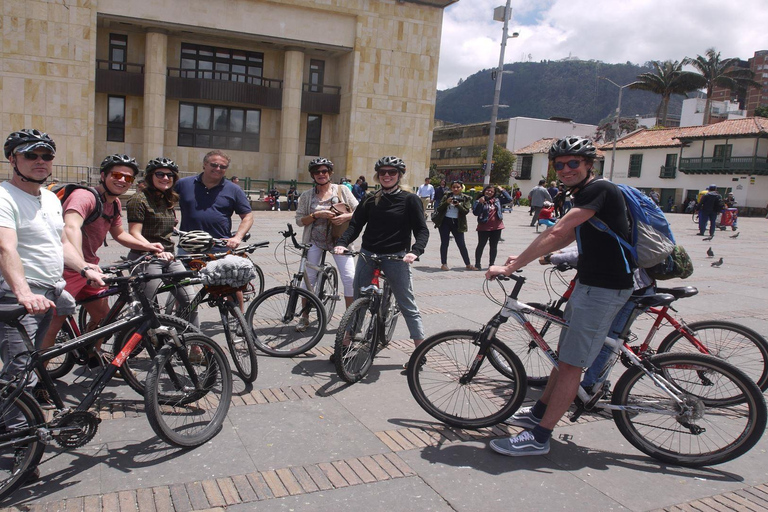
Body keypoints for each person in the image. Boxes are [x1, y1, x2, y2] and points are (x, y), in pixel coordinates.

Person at [486, 136, 633, 457]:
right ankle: (538, 412)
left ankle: (540, 437)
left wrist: (513, 266)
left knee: (570, 366)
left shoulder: (599, 189)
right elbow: (566, 235)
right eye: (560, 164)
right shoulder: (582, 192)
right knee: (564, 357)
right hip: (590, 284)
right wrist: (521, 260)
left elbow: (557, 231)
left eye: (573, 163)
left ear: (589, 165)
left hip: (605, 289)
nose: (566, 169)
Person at [1, 130, 103, 419]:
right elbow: (5, 249)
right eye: (30, 155)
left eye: (46, 156)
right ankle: (19, 441)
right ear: (13, 159)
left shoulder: (49, 198)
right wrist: (23, 293)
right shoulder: (4, 197)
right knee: (20, 373)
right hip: (20, 296)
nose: (40, 161)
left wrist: (84, 267)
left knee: (40, 355)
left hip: (53, 290)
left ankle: (41, 385)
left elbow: (60, 245)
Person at [39, 154, 164, 366]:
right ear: (104, 175)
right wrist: (82, 264)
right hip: (67, 267)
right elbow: (71, 227)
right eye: (117, 175)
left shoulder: (114, 203)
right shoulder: (84, 197)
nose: (122, 180)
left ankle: (92, 352)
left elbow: (119, 234)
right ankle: (39, 378)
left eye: (128, 178)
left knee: (104, 316)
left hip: (90, 268)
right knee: (54, 322)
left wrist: (148, 246)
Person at [333, 156, 429, 367]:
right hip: (368, 254)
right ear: (377, 175)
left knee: (407, 304)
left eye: (392, 172)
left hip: (396, 256)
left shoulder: (409, 199)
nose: (387, 175)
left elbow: (421, 230)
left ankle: (420, 353)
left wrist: (415, 251)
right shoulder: (370, 199)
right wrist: (342, 243)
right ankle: (346, 342)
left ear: (399, 175)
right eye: (383, 172)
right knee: (358, 299)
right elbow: (355, 226)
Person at [125, 157, 198, 327]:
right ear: (150, 176)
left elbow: (166, 229)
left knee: (190, 301)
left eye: (169, 175)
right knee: (148, 308)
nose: (165, 178)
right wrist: (153, 249)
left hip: (168, 255)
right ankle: (144, 342)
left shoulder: (168, 199)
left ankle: (196, 346)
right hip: (144, 257)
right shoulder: (138, 200)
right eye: (160, 174)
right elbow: (134, 233)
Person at [296, 157, 358, 323]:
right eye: (317, 172)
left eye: (324, 171)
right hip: (315, 240)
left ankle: (350, 320)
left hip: (340, 240)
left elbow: (360, 211)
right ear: (312, 175)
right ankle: (305, 316)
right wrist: (316, 215)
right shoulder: (307, 195)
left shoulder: (342, 190)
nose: (321, 174)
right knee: (309, 277)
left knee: (350, 278)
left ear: (330, 173)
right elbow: (299, 221)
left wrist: (345, 216)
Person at [175, 149, 253, 251]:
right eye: (214, 165)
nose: (218, 168)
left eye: (223, 166)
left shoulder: (234, 189)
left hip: (220, 247)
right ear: (205, 164)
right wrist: (171, 219)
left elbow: (248, 216)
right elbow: (165, 202)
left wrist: (237, 237)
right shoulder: (183, 184)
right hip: (188, 247)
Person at [432, 180, 476, 271]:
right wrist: (446, 202)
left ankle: (467, 263)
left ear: (461, 188)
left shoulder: (466, 198)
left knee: (461, 244)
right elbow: (439, 209)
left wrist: (458, 205)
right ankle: (444, 264)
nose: (455, 189)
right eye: (454, 187)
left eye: (458, 187)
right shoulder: (446, 196)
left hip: (458, 223)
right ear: (451, 188)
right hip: (445, 222)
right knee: (444, 243)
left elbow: (465, 211)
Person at [472, 185, 512, 270]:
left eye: (492, 191)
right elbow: (476, 213)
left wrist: (502, 190)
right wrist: (480, 203)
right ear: (484, 191)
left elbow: (509, 199)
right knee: (481, 245)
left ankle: (491, 264)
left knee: (494, 246)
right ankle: (477, 264)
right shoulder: (478, 201)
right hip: (484, 227)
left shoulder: (497, 200)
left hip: (497, 227)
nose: (489, 192)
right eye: (488, 190)